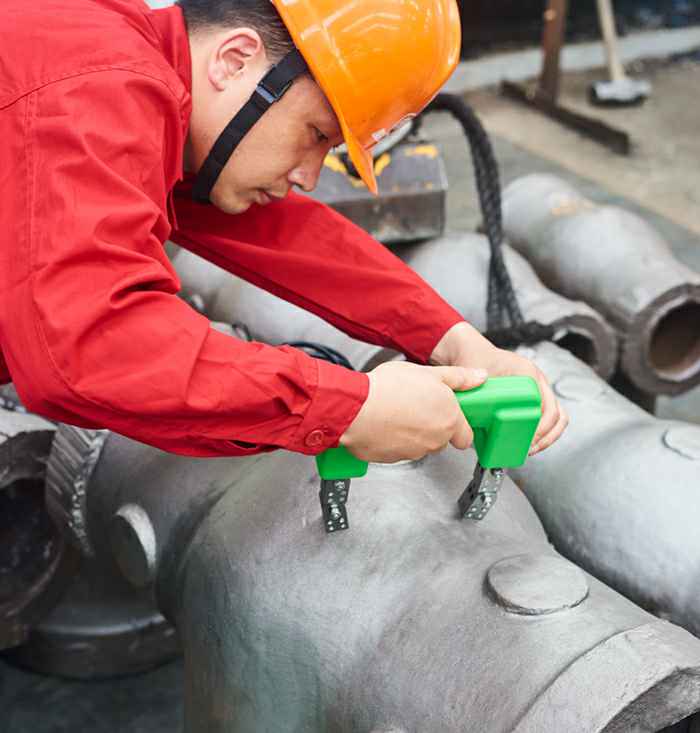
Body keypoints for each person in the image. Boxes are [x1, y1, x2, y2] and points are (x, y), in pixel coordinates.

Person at [0, 0, 567, 466]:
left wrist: (454, 339)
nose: (309, 176)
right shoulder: (92, 87)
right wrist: (349, 409)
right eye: (316, 134)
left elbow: (282, 234)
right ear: (235, 59)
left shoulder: (111, 57)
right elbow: (90, 345)